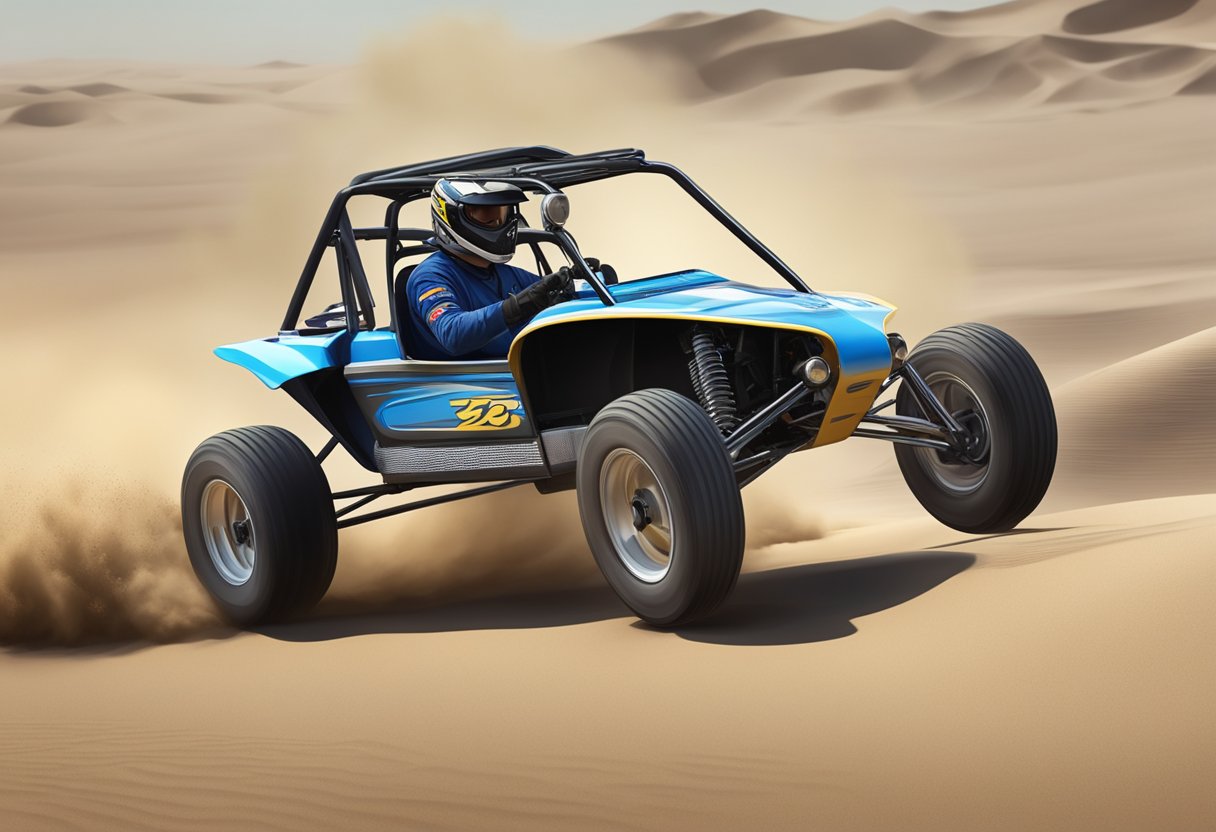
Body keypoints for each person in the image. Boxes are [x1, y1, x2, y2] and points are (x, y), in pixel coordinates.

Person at [405, 178, 573, 360]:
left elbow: (549, 289)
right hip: (467, 383)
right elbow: (452, 333)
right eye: (485, 213)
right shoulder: (430, 276)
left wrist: (579, 281)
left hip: (518, 372)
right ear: (452, 215)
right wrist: (517, 307)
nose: (498, 221)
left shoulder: (503, 272)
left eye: (503, 212)